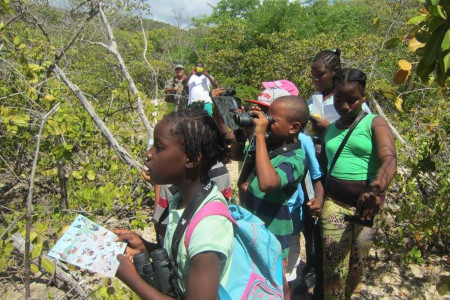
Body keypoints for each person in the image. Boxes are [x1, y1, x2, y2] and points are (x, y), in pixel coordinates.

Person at [114, 108, 233, 299]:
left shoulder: (208, 228)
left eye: (159, 147)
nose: (148, 153)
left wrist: (131, 279)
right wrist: (145, 247)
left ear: (191, 159)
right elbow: (184, 259)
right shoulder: (181, 200)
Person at [321, 68, 396, 299]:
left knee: (356, 265)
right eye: (338, 100)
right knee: (333, 266)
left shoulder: (375, 123)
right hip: (334, 204)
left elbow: (389, 158)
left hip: (366, 206)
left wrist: (376, 189)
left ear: (363, 97)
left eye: (352, 100)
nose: (344, 106)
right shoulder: (330, 129)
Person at [237, 93, 309, 300]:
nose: (267, 123)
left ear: (293, 127)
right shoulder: (269, 148)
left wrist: (260, 136)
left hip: (275, 231)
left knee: (277, 280)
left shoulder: (295, 157)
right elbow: (238, 158)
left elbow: (268, 183)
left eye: (272, 120)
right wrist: (249, 133)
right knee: (256, 275)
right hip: (254, 225)